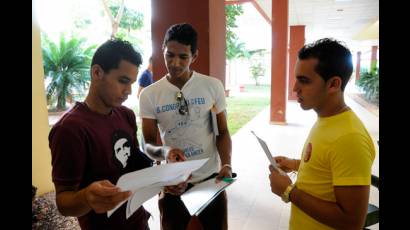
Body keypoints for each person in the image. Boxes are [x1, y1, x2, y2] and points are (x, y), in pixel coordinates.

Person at [268, 38, 376, 229]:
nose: (294, 89)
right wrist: (294, 164)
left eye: (304, 81)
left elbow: (351, 222)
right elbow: (328, 169)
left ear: (333, 84)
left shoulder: (349, 138)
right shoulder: (327, 119)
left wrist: (288, 191)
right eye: (296, 79)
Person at [48, 39, 154, 230]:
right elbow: (63, 202)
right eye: (123, 81)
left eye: (131, 83)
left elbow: (132, 164)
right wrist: (86, 196)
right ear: (97, 73)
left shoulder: (126, 115)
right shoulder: (70, 129)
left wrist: (166, 176)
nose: (129, 91)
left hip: (139, 220)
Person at [139, 23, 232, 230]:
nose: (175, 63)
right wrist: (166, 153)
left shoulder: (212, 86)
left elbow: (223, 131)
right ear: (162, 51)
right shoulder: (150, 95)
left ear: (195, 56)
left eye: (183, 57)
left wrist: (226, 164)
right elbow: (148, 144)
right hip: (173, 184)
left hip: (210, 180)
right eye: (169, 55)